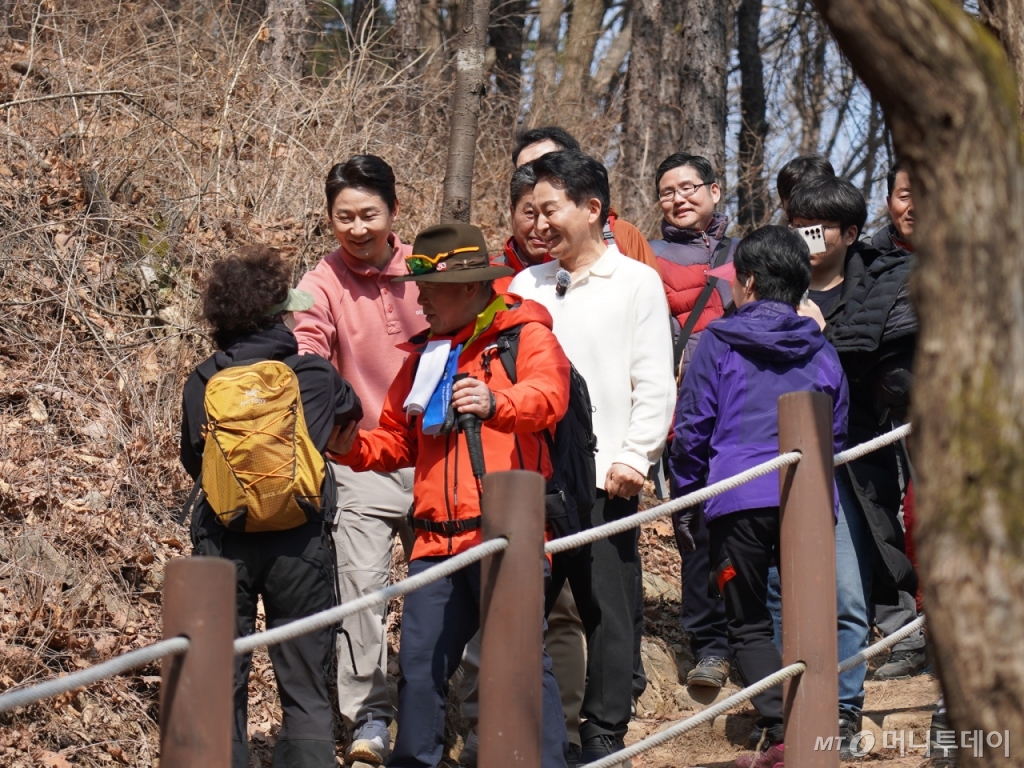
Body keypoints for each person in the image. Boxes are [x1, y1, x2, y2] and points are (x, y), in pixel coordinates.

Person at [330, 223, 571, 768]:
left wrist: (496, 402)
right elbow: (396, 439)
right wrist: (346, 445)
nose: (419, 303)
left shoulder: (525, 336)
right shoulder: (426, 359)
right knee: (419, 667)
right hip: (434, 546)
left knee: (521, 664)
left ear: (468, 287)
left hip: (507, 537)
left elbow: (549, 396)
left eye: (429, 291)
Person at [509, 149, 676, 761]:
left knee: (607, 605)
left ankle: (603, 731)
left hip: (609, 475)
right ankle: (533, 730)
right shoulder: (526, 285)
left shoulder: (636, 281)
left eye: (551, 210)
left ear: (592, 209)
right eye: (532, 211)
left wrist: (637, 457)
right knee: (524, 605)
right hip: (533, 478)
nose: (539, 223)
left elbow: (655, 379)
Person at [669, 226, 848, 768]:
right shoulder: (821, 347)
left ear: (746, 281)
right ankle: (820, 726)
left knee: (746, 622)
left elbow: (693, 427)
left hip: (738, 499)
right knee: (810, 614)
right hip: (809, 500)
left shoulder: (719, 341)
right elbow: (835, 433)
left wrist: (687, 500)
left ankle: (786, 730)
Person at [180, 246, 362, 768]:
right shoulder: (314, 373)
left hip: (222, 539)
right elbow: (353, 420)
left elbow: (196, 459)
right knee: (304, 683)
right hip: (299, 541)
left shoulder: (204, 379)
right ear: (279, 316)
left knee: (219, 678)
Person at [290, 155, 420, 765]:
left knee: (440, 591)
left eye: (370, 214)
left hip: (439, 460)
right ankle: (368, 717)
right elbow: (309, 344)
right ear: (330, 218)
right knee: (363, 592)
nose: (358, 228)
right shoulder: (321, 282)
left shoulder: (427, 270)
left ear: (394, 212)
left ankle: (434, 707)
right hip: (361, 460)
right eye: (345, 217)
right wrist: (326, 394)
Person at [823, 161, 923, 750]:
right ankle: (903, 634)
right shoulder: (866, 262)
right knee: (899, 529)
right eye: (903, 194)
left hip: (975, 418)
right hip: (881, 420)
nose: (912, 205)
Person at [647, 151, 737, 692]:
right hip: (686, 414)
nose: (678, 198)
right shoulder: (645, 256)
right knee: (694, 528)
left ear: (715, 191)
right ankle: (709, 644)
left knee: (750, 524)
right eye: (667, 192)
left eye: (689, 187)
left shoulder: (747, 252)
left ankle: (757, 634)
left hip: (747, 413)